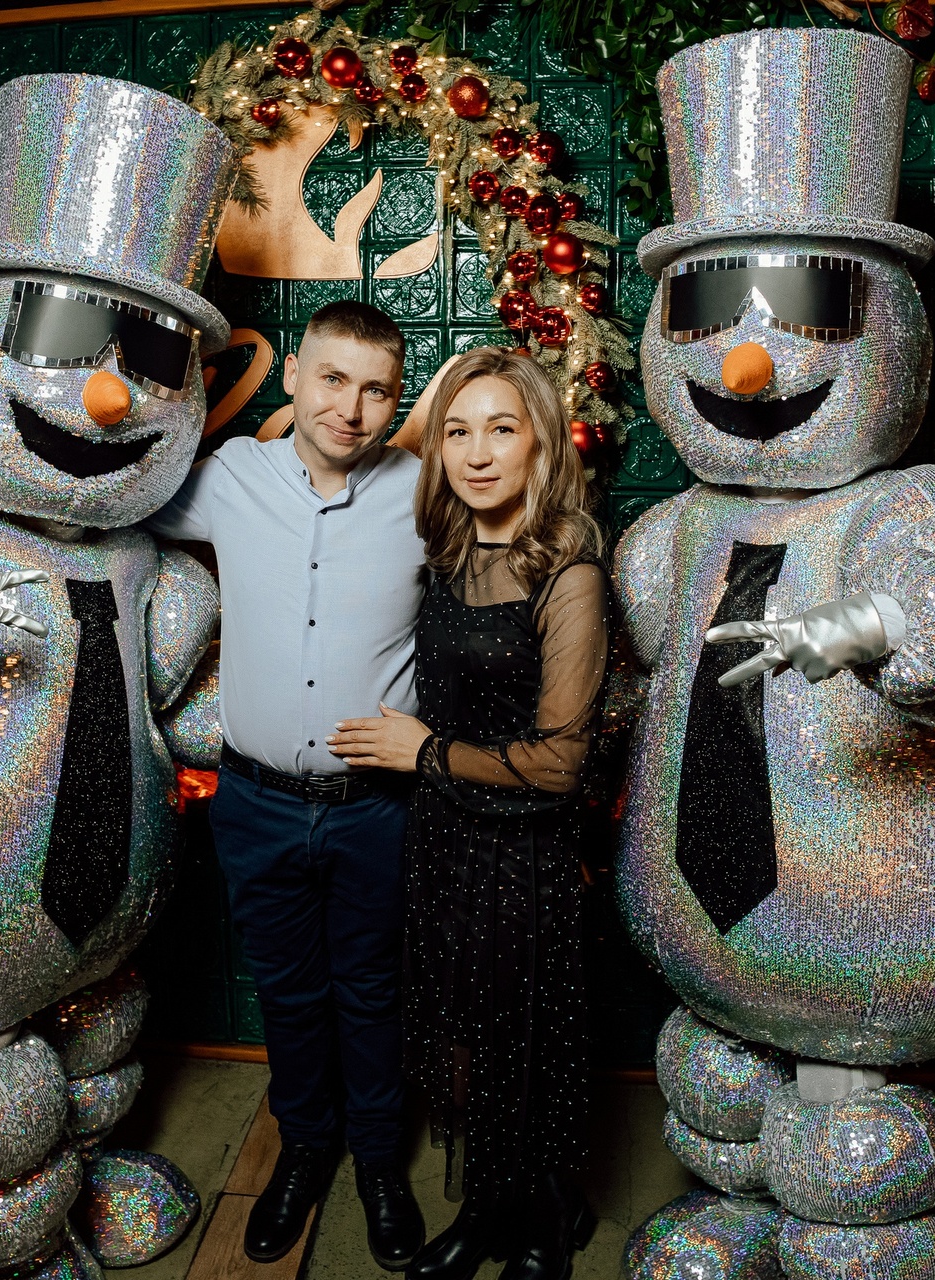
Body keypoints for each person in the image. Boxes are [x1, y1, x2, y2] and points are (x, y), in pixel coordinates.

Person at [145, 300, 427, 1270]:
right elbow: (107, 496)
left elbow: (508, 594)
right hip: (255, 802)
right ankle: (305, 1148)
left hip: (376, 808)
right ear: (297, 375)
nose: (351, 407)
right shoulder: (232, 477)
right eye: (334, 379)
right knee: (289, 991)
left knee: (373, 992)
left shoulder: (426, 494)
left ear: (396, 400)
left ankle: (381, 1163)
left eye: (376, 389)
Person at [326, 347, 608, 1280]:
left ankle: (543, 1223)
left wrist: (425, 752)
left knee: (525, 1047)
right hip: (443, 839)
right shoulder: (448, 552)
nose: (477, 453)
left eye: (501, 429)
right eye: (456, 431)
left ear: (541, 444)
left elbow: (561, 763)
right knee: (465, 1043)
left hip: (523, 854)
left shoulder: (569, 571)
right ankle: (487, 1210)